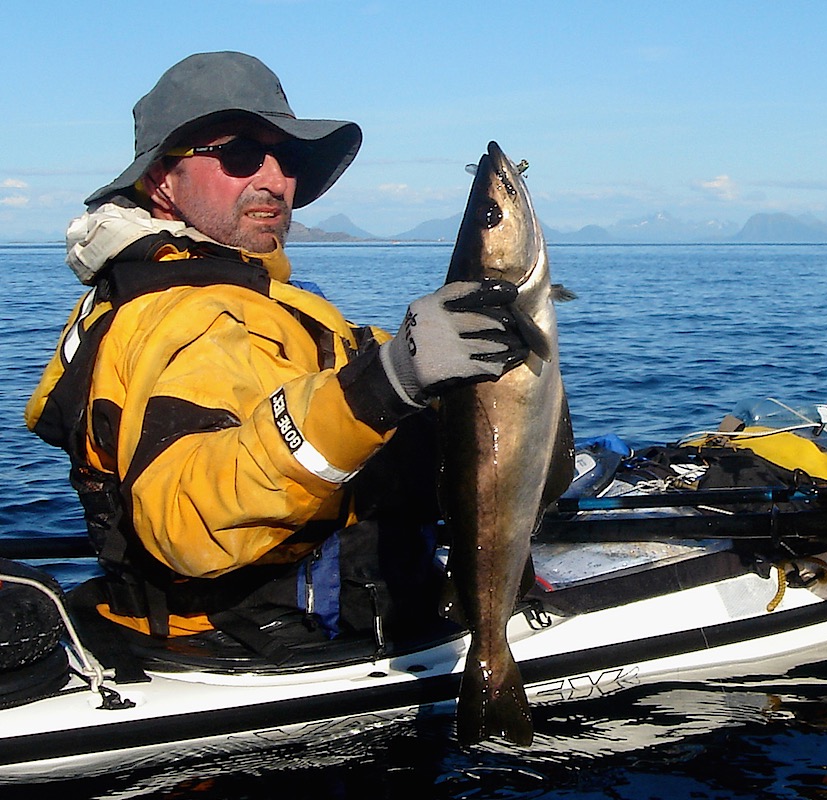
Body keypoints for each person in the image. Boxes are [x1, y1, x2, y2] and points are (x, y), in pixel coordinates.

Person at [24, 52, 529, 661]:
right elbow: (188, 521)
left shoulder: (215, 293)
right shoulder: (185, 315)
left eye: (287, 158)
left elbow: (296, 373)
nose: (273, 180)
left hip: (211, 627)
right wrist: (385, 385)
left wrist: (409, 361)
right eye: (239, 156)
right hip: (266, 642)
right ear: (162, 180)